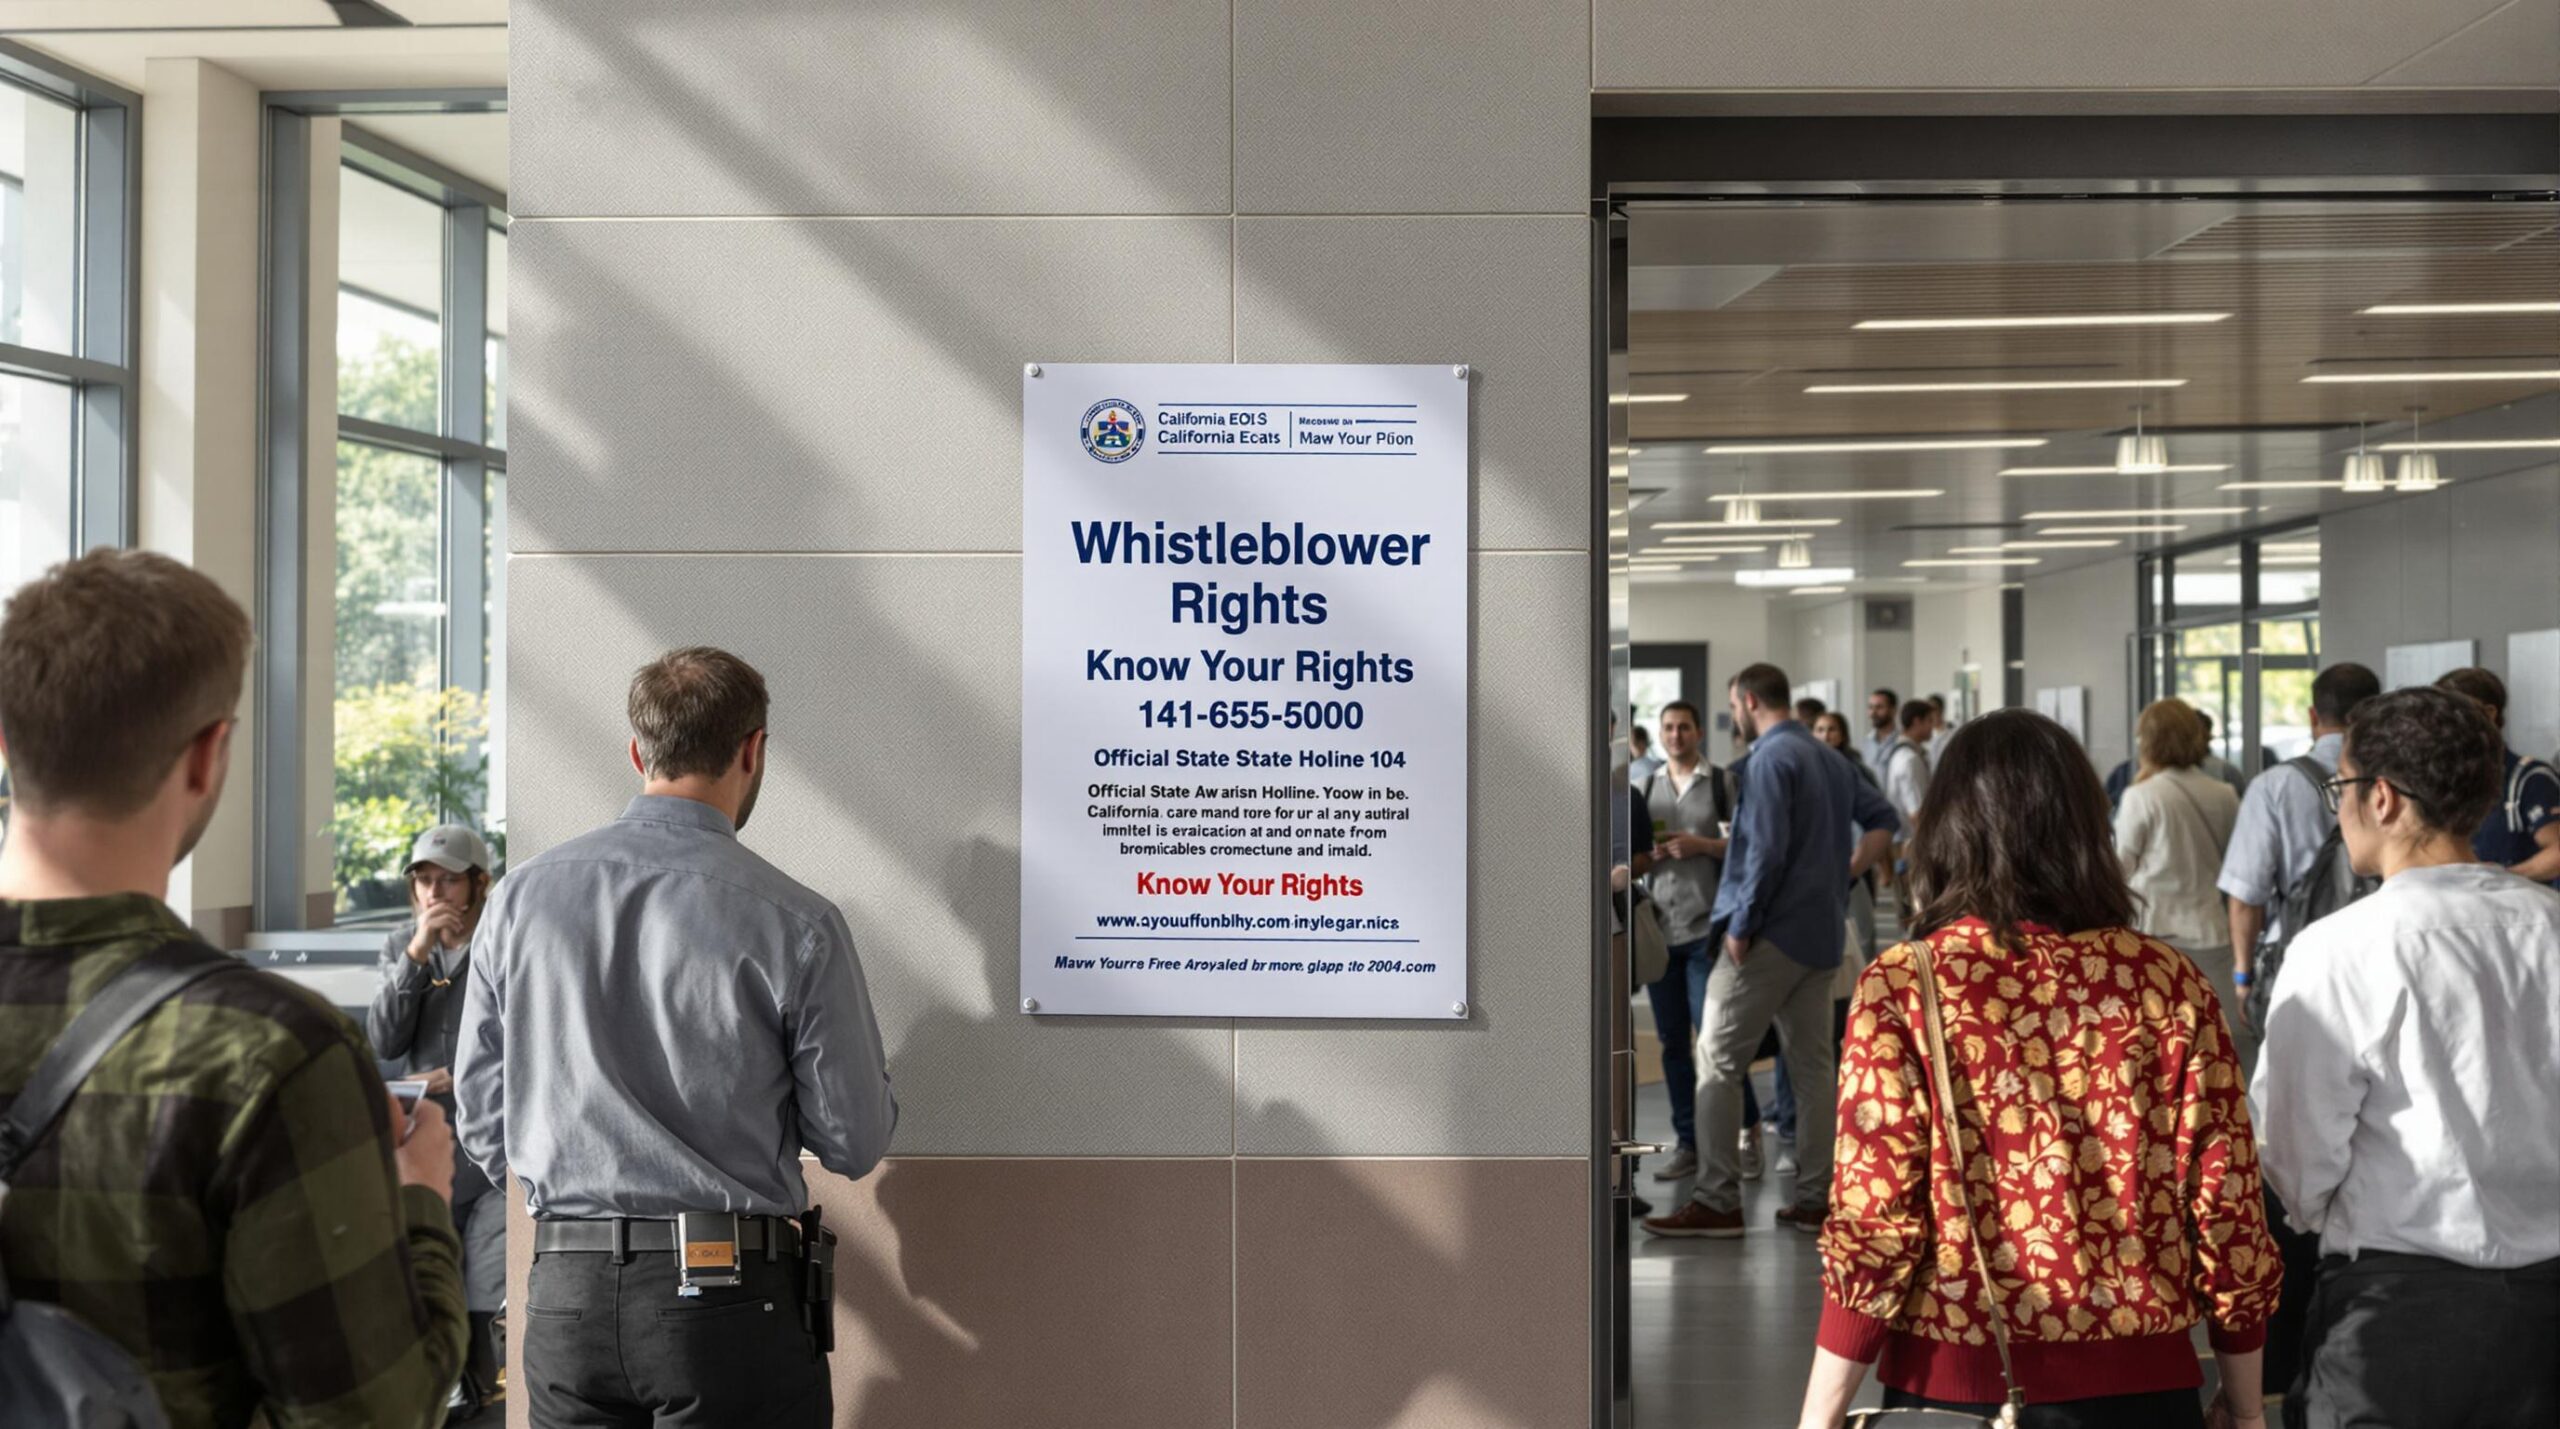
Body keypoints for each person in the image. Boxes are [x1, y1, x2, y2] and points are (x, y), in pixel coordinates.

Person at [0, 549, 466, 1428]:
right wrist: (418, 1197)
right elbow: (371, 1415)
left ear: (5, 737)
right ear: (209, 754)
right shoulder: (271, 1049)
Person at [1795, 708, 2280, 1429]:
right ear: (2088, 826)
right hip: (2145, 1387)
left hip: (1958, 1389)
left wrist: (1820, 1414)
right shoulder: (2168, 981)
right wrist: (2244, 1407)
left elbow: (1877, 1222)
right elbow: (2226, 1207)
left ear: (1948, 828)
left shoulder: (1904, 985)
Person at [457, 647, 898, 1428]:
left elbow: (484, 1120)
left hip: (566, 1296)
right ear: (753, 749)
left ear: (638, 752)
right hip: (730, 1305)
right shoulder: (797, 922)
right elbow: (853, 1141)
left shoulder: (519, 900)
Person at [2253, 687, 2560, 1429]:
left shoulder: (2341, 946)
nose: (2339, 808)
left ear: (2382, 798)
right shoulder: (2549, 926)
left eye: (2342, 788)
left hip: (2396, 1311)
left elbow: (2294, 1159)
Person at [1643, 664, 1897, 1239]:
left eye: (1734, 706)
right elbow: (1884, 820)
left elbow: (1764, 851)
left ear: (1749, 700)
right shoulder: (1831, 760)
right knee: (1812, 1068)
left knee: (1716, 1060)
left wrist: (1741, 924)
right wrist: (1841, 879)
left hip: (1767, 936)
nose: (1733, 716)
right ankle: (1816, 1198)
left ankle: (1716, 1199)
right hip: (1820, 938)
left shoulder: (1769, 761)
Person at [367, 823, 507, 1421]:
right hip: (427, 1136)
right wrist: (417, 956)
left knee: (488, 1261)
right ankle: (446, 1386)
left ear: (478, 884)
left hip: (494, 1131)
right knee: (433, 1254)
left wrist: (458, 1070)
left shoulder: (501, 938)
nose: (434, 892)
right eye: (423, 879)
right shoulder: (403, 943)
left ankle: (487, 1382)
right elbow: (384, 1040)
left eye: (447, 879)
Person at [2216, 663, 2381, 1007]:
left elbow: (2247, 897)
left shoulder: (2272, 786)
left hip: (2297, 957)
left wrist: (2244, 977)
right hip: (2379, 951)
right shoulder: (2392, 778)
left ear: (2313, 715)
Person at [2115, 698, 2248, 1068]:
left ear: (2149, 741)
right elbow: (2235, 861)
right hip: (2210, 929)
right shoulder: (2224, 794)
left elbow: (2120, 867)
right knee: (2209, 1037)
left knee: (2156, 1039)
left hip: (2154, 931)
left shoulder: (2141, 796)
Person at [1638, 700, 1739, 1183]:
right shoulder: (1646, 785)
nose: (1675, 735)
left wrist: (1702, 846)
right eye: (1668, 728)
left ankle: (1746, 1130)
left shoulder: (1720, 783)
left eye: (1683, 727)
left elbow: (1743, 845)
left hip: (1705, 930)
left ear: (1699, 732)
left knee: (1714, 1041)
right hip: (1662, 932)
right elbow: (1630, 855)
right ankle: (1688, 1143)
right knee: (1673, 1043)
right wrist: (1646, 857)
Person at [2434, 666, 2560, 887]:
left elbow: (2557, 853)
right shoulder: (2445, 780)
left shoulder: (2529, 778)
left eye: (2456, 714)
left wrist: (2504, 880)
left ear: (2490, 714)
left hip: (2520, 910)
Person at [1879, 700, 1935, 928]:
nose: (1933, 727)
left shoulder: (1908, 754)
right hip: (1908, 845)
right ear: (1916, 722)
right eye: (1929, 721)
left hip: (1906, 842)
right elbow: (1916, 812)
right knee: (1916, 912)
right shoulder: (1908, 759)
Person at [1866, 687, 1900, 767]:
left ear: (1893, 710)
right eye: (1870, 707)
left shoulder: (1901, 742)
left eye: (1879, 707)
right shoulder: (1866, 742)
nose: (1873, 713)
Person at [1923, 693, 1954, 762]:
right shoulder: (1924, 736)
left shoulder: (1953, 734)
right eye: (1927, 711)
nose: (1930, 715)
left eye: (1933, 710)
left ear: (1941, 710)